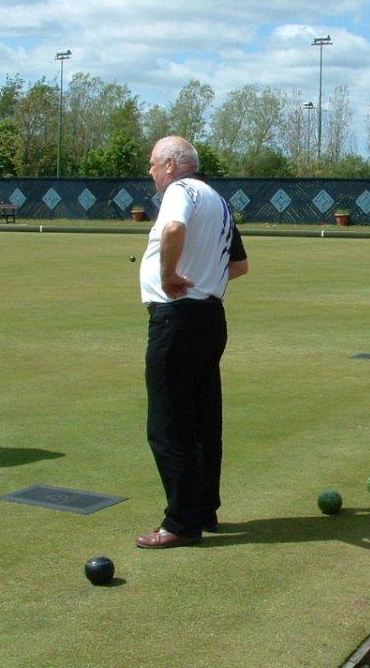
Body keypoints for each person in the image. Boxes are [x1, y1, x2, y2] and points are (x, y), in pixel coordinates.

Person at [137, 136, 249, 549]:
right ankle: (203, 510)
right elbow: (239, 265)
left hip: (177, 318)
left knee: (168, 424)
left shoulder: (180, 190)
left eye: (152, 164)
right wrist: (204, 276)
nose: (150, 172)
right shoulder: (218, 200)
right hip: (210, 318)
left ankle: (181, 522)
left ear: (170, 164)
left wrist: (169, 276)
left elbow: (173, 228)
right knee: (203, 421)